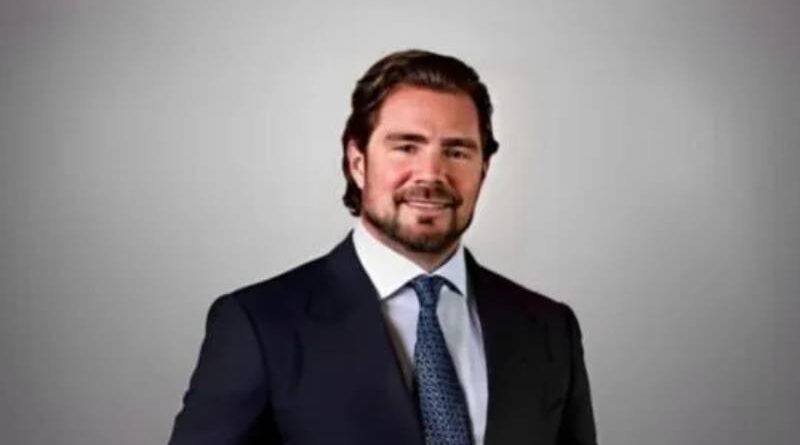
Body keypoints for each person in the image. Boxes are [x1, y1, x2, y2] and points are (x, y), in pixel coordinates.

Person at [168, 49, 597, 445]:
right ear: (358, 163)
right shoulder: (260, 325)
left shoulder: (549, 330)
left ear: (483, 168)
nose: (431, 174)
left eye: (457, 152)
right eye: (406, 147)